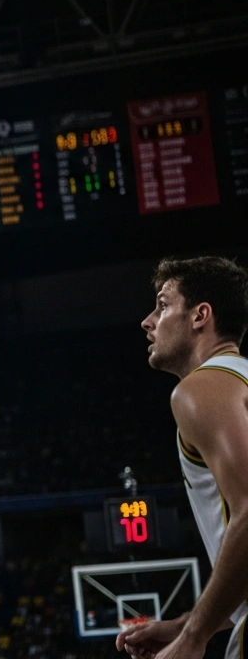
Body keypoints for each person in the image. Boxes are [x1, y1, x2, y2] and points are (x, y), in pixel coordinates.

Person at [119, 257, 248, 659]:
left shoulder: (202, 388)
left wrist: (194, 635)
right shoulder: (239, 380)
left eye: (162, 305)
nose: (148, 321)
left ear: (200, 316)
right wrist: (185, 624)